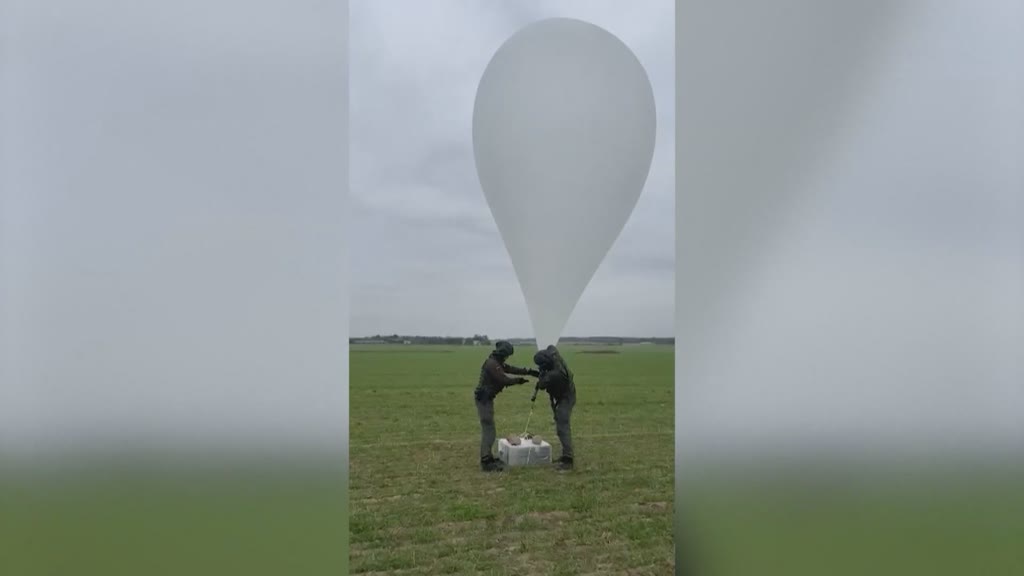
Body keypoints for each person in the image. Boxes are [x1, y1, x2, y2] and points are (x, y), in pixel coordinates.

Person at [474, 340, 538, 472]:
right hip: (484, 400)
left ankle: (489, 457)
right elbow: (503, 379)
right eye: (507, 355)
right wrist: (518, 381)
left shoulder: (496, 362)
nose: (507, 357)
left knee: (490, 430)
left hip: (486, 399)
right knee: (489, 431)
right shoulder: (492, 364)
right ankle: (486, 461)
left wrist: (530, 372)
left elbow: (511, 369)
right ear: (503, 353)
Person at [533, 345, 576, 470]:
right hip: (565, 394)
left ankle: (568, 459)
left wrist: (541, 374)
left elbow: (542, 384)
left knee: (562, 426)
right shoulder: (554, 356)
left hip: (566, 397)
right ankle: (565, 454)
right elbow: (551, 347)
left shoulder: (555, 373)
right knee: (560, 426)